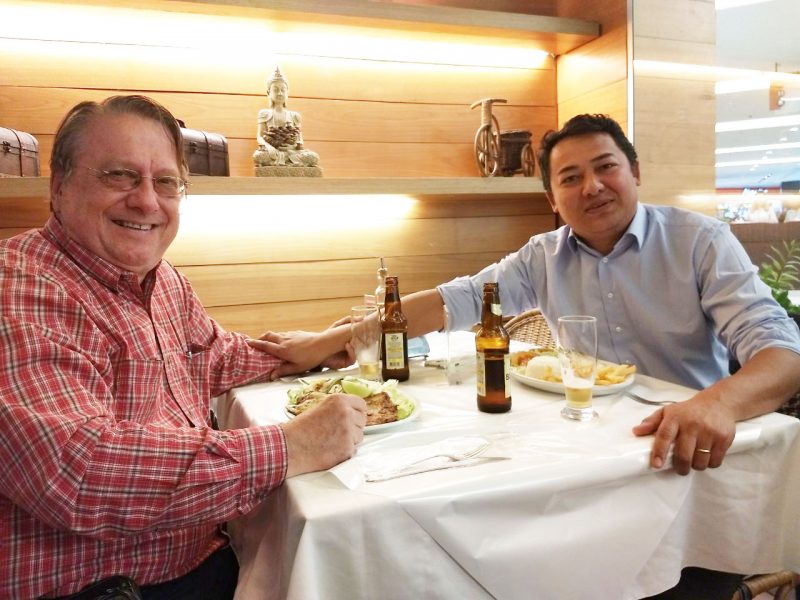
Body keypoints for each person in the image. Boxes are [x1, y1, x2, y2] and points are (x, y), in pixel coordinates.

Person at [262, 113, 800, 598]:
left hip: (684, 467)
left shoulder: (700, 241)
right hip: (590, 463)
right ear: (552, 199)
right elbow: (454, 300)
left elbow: (782, 351)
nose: (592, 187)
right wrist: (324, 342)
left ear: (635, 172)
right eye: (570, 178)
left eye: (606, 167)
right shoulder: (542, 256)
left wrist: (716, 404)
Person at [0, 95, 364, 599]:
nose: (147, 201)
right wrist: (292, 446)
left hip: (200, 555)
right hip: (105, 587)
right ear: (59, 186)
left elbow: (212, 356)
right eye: (119, 175)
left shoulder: (161, 279)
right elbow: (80, 471)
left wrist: (312, 350)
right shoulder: (22, 287)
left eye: (166, 182)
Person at [252, 66, 320, 168]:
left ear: (287, 92)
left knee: (313, 157)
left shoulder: (295, 116)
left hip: (291, 153)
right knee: (258, 157)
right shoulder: (264, 114)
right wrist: (269, 147)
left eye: (283, 90)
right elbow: (260, 137)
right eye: (275, 90)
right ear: (268, 93)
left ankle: (286, 162)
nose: (280, 93)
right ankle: (283, 162)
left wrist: (292, 146)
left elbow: (299, 141)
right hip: (272, 152)